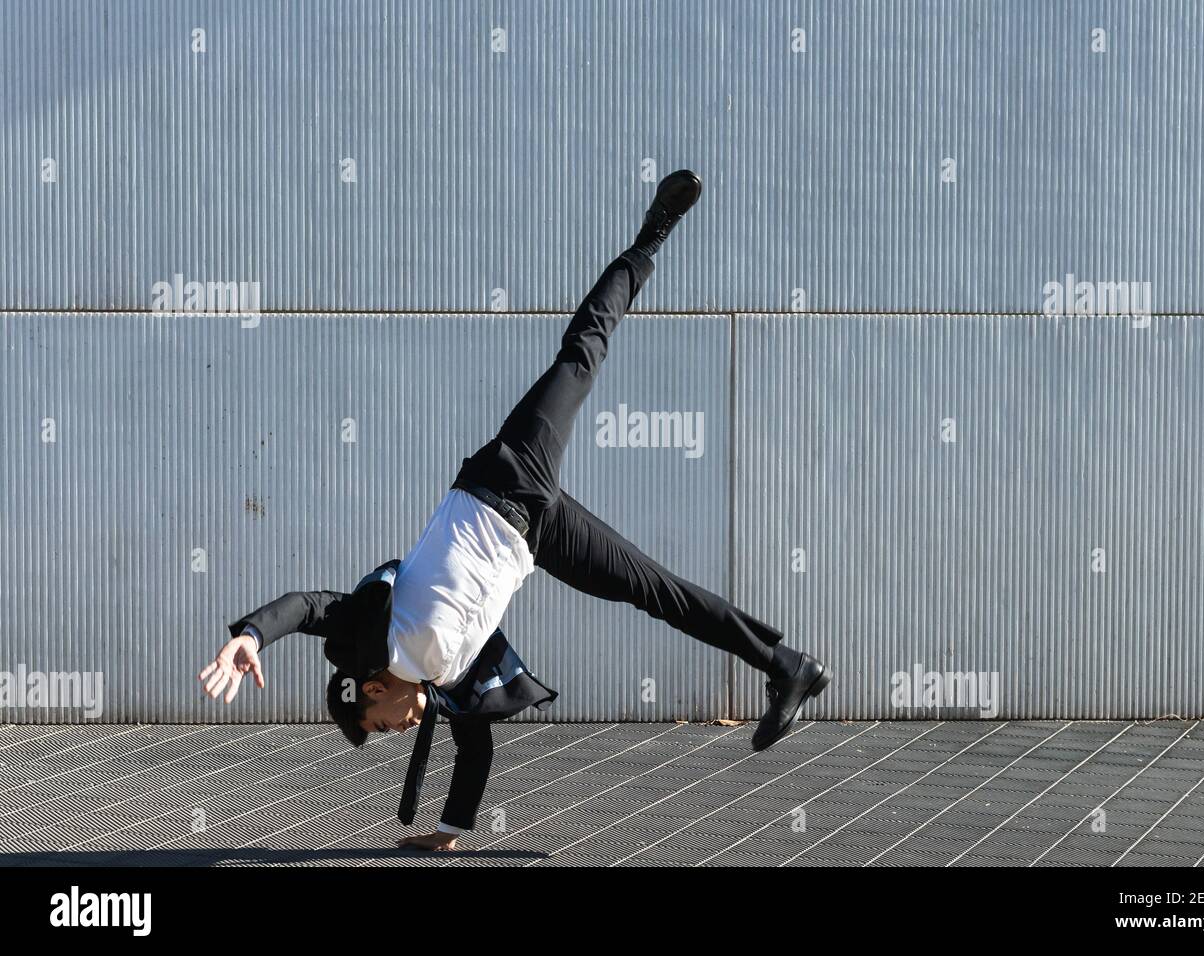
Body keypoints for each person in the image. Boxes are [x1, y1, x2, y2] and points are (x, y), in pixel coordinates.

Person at [198, 170, 831, 851]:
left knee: (581, 355)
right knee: (657, 592)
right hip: (541, 533)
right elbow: (474, 756)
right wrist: (445, 834)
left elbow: (306, 605)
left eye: (381, 723)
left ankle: (652, 235)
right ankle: (787, 665)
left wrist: (251, 637)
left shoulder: (368, 635)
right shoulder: (450, 681)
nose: (398, 730)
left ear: (372, 686)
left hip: (505, 477)